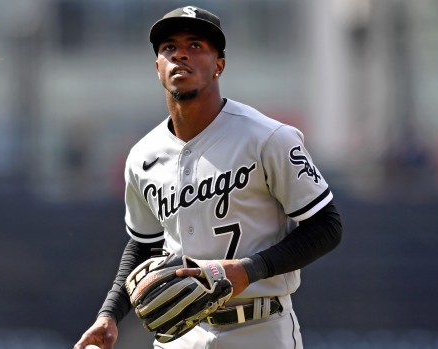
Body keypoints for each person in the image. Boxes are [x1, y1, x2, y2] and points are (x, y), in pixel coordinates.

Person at [73, 5, 342, 349]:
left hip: (260, 327)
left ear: (219, 65)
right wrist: (109, 313)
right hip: (179, 335)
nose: (180, 54)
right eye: (169, 47)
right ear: (157, 67)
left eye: (196, 45)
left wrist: (249, 270)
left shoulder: (268, 137)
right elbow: (144, 243)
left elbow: (326, 226)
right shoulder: (143, 156)